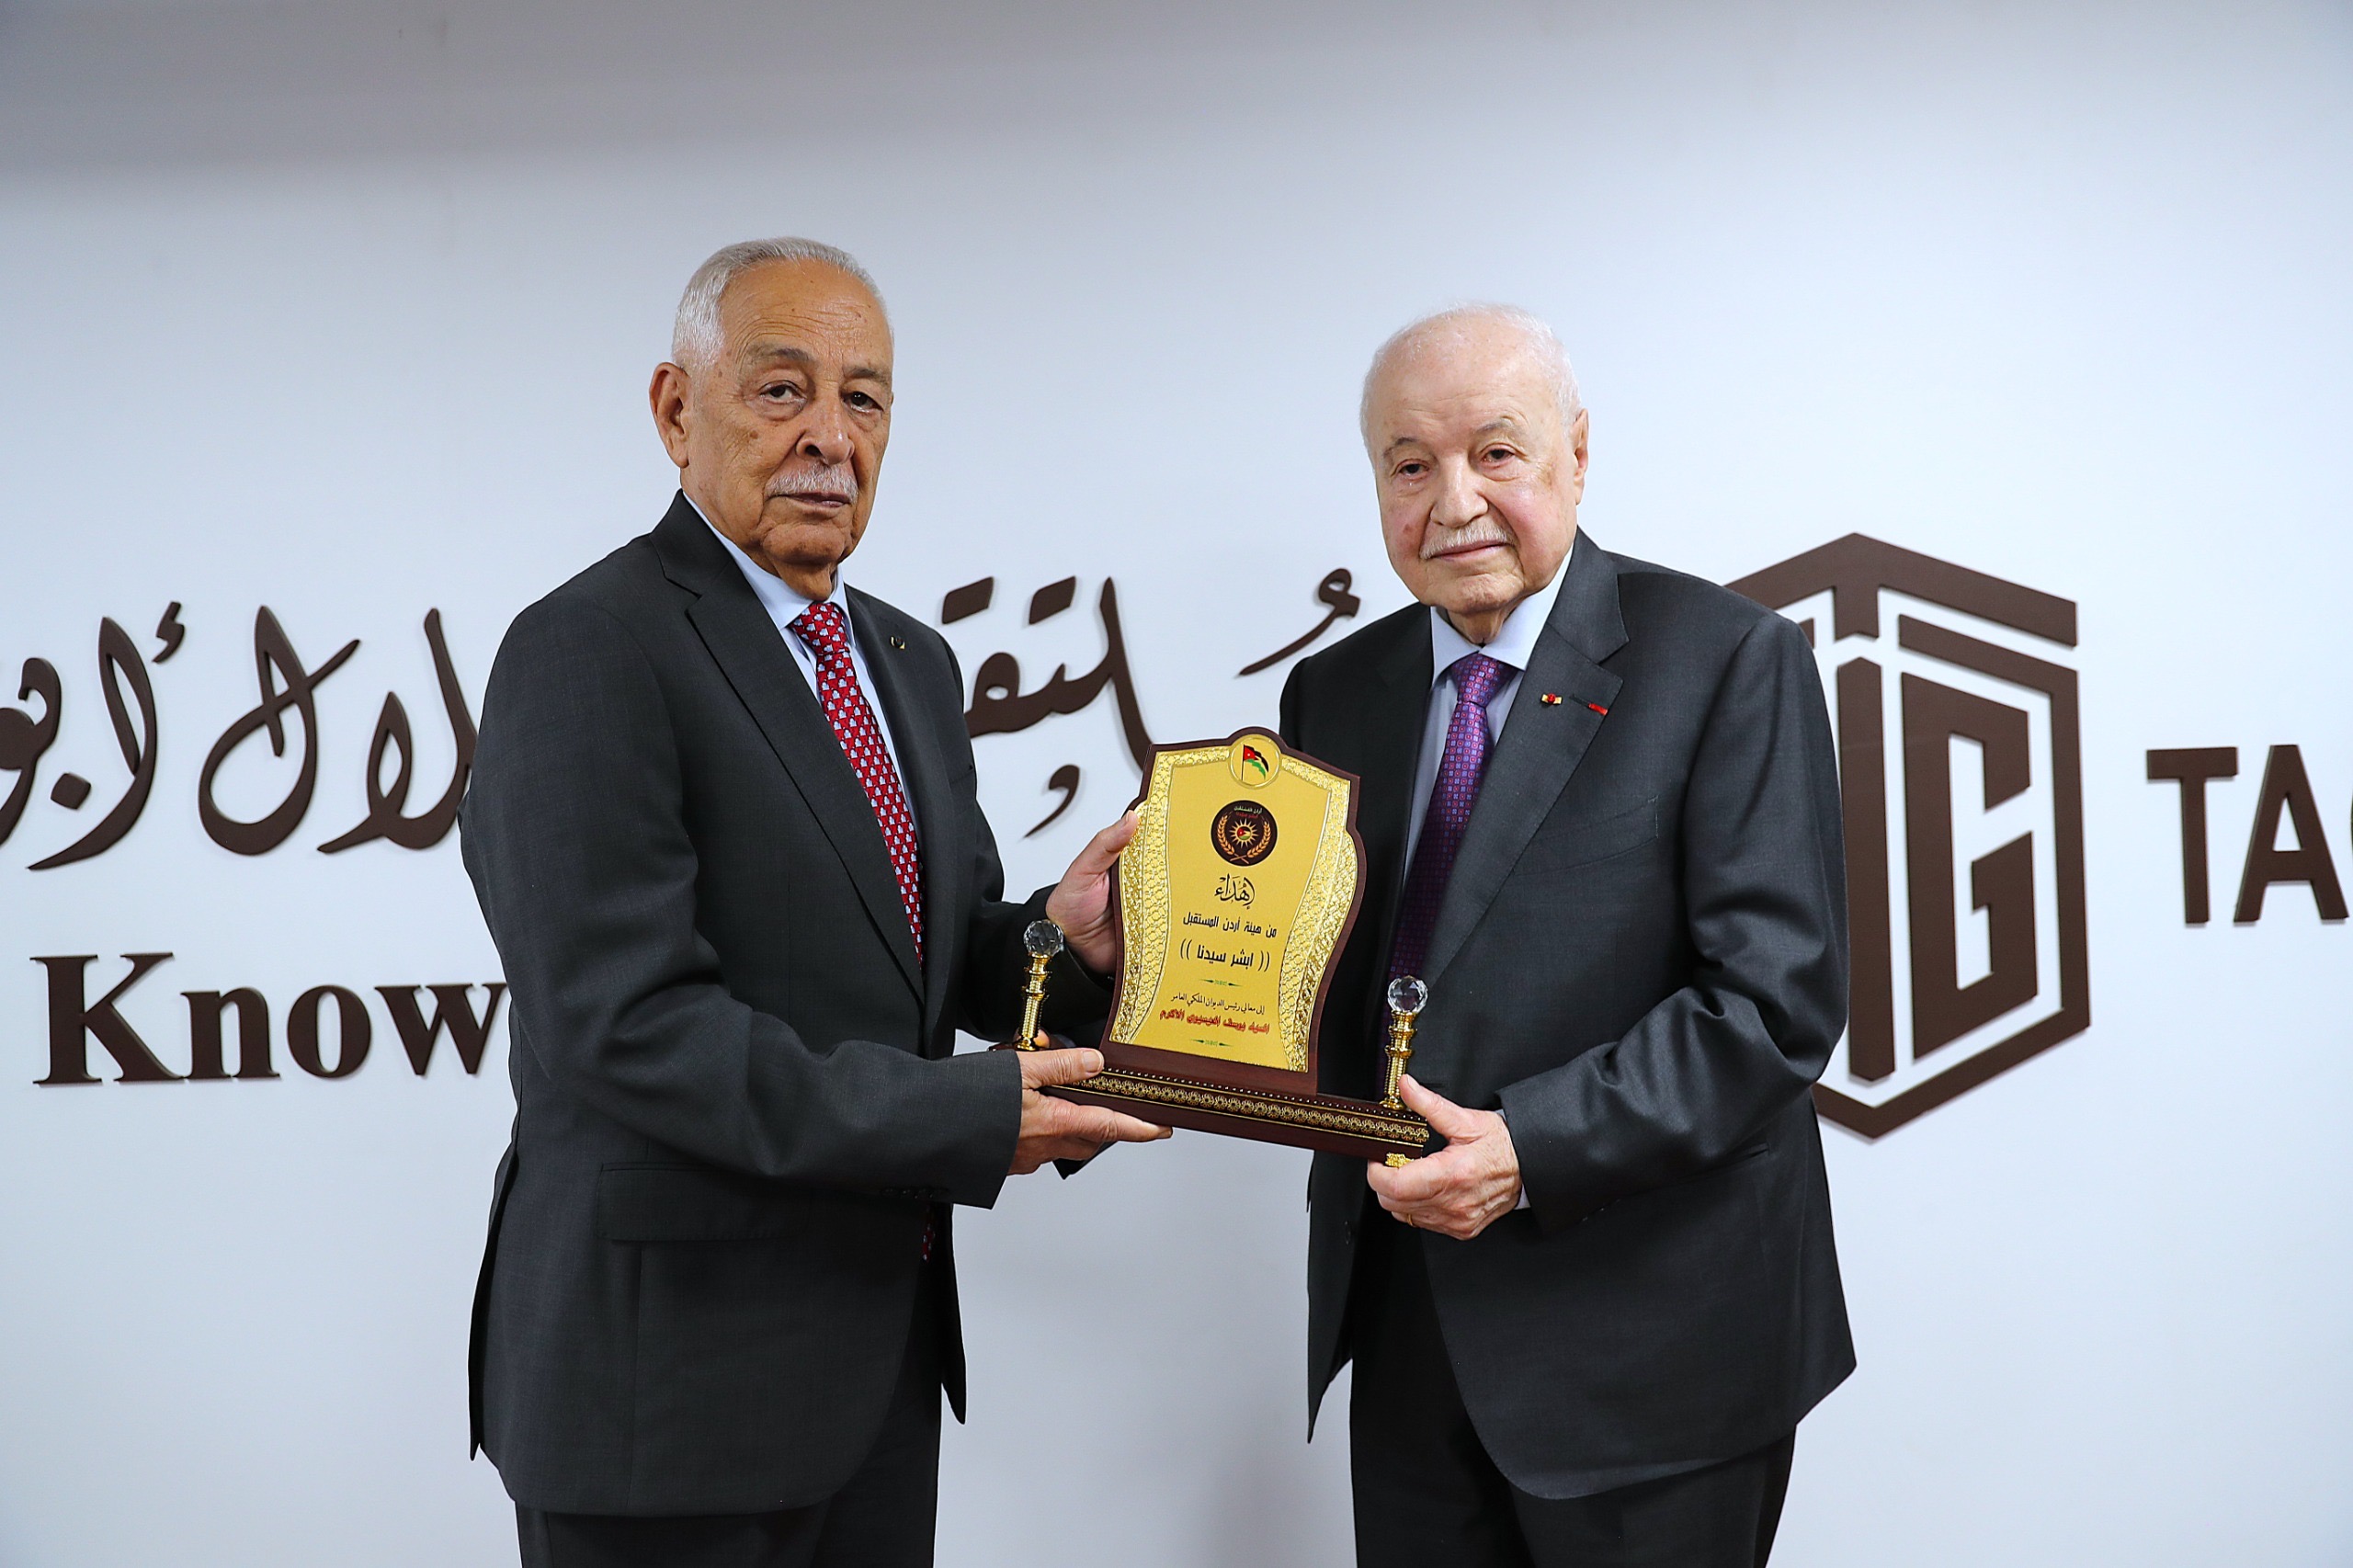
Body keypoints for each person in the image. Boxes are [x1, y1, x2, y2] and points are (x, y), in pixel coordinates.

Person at [460, 236, 1167, 1568]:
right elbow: (629, 1027)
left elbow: (931, 952)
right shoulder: (587, 646)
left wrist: (1065, 944)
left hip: (873, 1378)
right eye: (782, 389)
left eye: (865, 398)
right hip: (664, 1398)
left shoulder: (908, 658)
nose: (830, 438)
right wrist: (963, 1115)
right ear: (677, 409)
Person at [1279, 304, 1854, 1567]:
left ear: (1577, 455)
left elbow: (1773, 1007)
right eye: (1410, 465)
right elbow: (1314, 977)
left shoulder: (1727, 660)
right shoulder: (1333, 691)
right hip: (1410, 1325)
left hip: (1654, 1346)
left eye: (1497, 452)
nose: (1455, 502)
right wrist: (1141, 971)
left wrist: (1529, 1147)